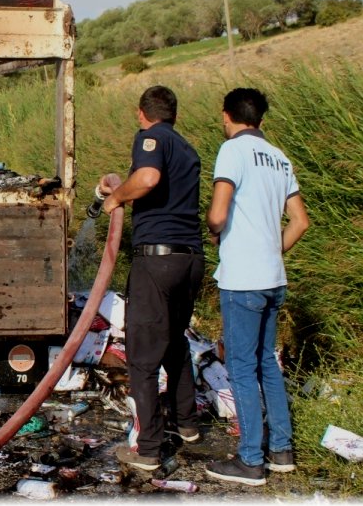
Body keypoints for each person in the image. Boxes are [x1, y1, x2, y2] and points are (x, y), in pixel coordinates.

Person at [204, 88, 309, 486]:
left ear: (226, 116)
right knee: (267, 363)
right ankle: (281, 450)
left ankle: (250, 460)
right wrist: (271, 249)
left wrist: (218, 232)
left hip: (243, 278)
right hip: (273, 277)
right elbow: (300, 221)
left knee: (242, 368)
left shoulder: (232, 150)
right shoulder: (280, 158)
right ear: (261, 120)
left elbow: (218, 212)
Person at [96, 84, 204, 472]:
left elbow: (147, 180)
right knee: (175, 342)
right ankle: (188, 424)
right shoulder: (188, 148)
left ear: (142, 112)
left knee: (142, 358)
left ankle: (148, 448)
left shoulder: (150, 137)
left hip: (156, 261)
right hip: (190, 259)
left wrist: (115, 198)